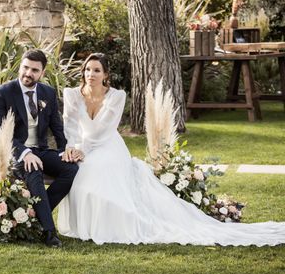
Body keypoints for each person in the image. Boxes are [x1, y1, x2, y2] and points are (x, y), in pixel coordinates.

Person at [58, 52, 285, 246]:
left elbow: (103, 130)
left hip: (107, 146)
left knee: (96, 172)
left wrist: (83, 151)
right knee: (79, 175)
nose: (91, 75)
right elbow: (69, 125)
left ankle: (113, 223)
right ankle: (88, 224)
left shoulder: (117, 96)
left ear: (105, 75)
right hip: (81, 146)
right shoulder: (72, 94)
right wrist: (72, 148)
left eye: (96, 70)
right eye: (87, 69)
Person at [0, 49, 79, 247]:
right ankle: (49, 232)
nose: (28, 73)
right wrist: (24, 152)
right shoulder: (3, 93)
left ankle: (35, 215)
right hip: (16, 152)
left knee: (71, 169)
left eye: (34, 70)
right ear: (20, 67)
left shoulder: (47, 92)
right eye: (25, 67)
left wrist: (65, 150)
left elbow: (57, 126)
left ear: (42, 73)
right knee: (34, 169)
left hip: (41, 149)